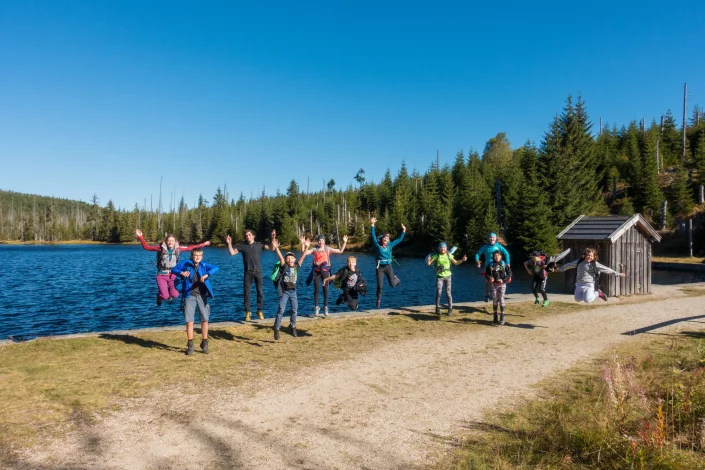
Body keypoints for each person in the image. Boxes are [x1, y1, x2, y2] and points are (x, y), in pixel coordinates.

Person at [135, 229, 210, 306]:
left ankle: (167, 292)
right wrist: (140, 236)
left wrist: (203, 244)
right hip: (162, 275)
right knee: (165, 296)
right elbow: (147, 247)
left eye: (172, 241)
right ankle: (159, 297)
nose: (170, 242)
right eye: (169, 241)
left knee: (175, 295)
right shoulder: (160, 248)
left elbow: (190, 247)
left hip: (173, 275)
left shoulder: (178, 249)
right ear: (166, 241)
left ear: (175, 242)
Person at [171, 248, 219, 355]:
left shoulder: (204, 265)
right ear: (191, 256)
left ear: (202, 257)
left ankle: (205, 342)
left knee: (205, 319)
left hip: (202, 295)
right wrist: (182, 272)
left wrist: (206, 275)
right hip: (189, 295)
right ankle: (190, 344)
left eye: (199, 255)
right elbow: (174, 269)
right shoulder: (186, 264)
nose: (197, 257)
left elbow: (216, 268)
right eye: (195, 255)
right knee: (189, 320)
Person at [225, 229, 272, 321]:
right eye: (246, 235)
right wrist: (229, 243)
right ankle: (247, 312)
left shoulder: (259, 245)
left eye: (249, 235)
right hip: (248, 272)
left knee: (260, 291)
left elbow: (271, 248)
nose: (248, 237)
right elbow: (231, 253)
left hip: (258, 272)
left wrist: (272, 238)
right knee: (247, 292)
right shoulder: (242, 246)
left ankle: (259, 310)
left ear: (253, 236)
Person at [270, 234, 308, 340]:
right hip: (285, 292)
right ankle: (277, 328)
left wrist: (306, 246)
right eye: (288, 258)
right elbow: (280, 257)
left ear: (294, 259)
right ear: (286, 260)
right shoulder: (285, 266)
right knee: (281, 310)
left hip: (293, 292)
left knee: (295, 310)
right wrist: (276, 248)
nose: (290, 260)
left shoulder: (296, 267)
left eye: (292, 258)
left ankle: (293, 326)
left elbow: (303, 256)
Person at [302, 233, 348, 317]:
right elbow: (304, 253)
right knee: (316, 289)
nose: (321, 242)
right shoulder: (315, 249)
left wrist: (344, 242)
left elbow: (340, 251)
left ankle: (325, 308)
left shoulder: (327, 249)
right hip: (316, 271)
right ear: (318, 241)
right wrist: (304, 245)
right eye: (319, 240)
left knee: (325, 289)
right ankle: (316, 308)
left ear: (324, 241)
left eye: (322, 240)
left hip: (325, 271)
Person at [559, 247, 626, 303]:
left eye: (591, 256)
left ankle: (598, 293)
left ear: (594, 257)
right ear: (585, 255)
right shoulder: (579, 262)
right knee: (577, 299)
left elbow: (606, 269)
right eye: (588, 255)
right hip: (579, 284)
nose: (589, 257)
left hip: (589, 284)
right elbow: (569, 265)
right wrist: (560, 269)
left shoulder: (594, 264)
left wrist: (618, 274)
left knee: (587, 300)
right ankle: (587, 294)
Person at [370, 217, 406, 307]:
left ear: (389, 240)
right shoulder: (377, 245)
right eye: (384, 238)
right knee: (380, 285)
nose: (386, 239)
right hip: (380, 267)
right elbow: (373, 236)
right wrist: (372, 225)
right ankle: (378, 299)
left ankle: (396, 279)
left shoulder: (390, 245)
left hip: (388, 266)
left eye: (387, 238)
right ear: (382, 239)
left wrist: (404, 231)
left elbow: (399, 239)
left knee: (392, 285)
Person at [426, 242, 467, 316]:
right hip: (440, 276)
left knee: (448, 293)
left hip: (448, 276)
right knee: (439, 293)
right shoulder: (436, 256)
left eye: (444, 247)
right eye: (441, 247)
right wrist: (428, 262)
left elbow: (456, 263)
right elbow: (429, 264)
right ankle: (437, 308)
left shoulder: (449, 255)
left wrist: (462, 260)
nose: (443, 249)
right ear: (439, 248)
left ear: (446, 248)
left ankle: (450, 309)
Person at [475, 233, 511, 302]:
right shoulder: (485, 247)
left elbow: (506, 253)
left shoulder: (498, 246)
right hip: (488, 266)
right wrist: (477, 261)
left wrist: (508, 263)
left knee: (499, 278)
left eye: (493, 237)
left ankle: (499, 294)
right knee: (488, 280)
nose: (492, 239)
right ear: (489, 238)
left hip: (498, 265)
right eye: (491, 237)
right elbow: (477, 254)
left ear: (495, 238)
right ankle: (487, 295)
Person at [485, 251, 512, 325]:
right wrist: (490, 278)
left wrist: (503, 279)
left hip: (502, 284)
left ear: (501, 256)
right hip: (494, 284)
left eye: (498, 255)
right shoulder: (490, 264)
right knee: (495, 299)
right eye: (495, 256)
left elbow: (509, 273)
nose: (497, 257)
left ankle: (502, 316)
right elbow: (486, 274)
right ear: (493, 256)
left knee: (501, 298)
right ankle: (495, 315)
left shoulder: (504, 264)